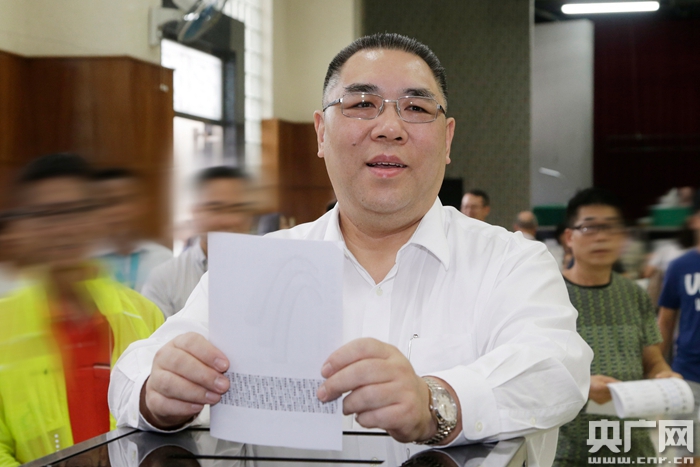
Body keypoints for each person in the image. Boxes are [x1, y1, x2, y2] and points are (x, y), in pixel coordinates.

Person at [109, 33, 592, 466]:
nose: (389, 127)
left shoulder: (511, 263)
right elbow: (133, 372)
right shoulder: (258, 267)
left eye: (416, 108)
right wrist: (159, 394)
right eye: (362, 103)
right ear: (321, 132)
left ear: (447, 139)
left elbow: (556, 368)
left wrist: (437, 402)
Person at [0, 154, 164, 466]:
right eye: (47, 215)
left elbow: (165, 420)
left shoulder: (143, 315)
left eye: (76, 211)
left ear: (97, 218)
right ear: (24, 226)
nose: (63, 228)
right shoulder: (3, 325)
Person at [553, 188, 679, 466]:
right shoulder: (549, 295)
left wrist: (663, 375)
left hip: (633, 447)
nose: (601, 237)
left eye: (610, 227)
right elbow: (530, 371)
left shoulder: (634, 294)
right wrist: (583, 385)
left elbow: (652, 360)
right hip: (566, 451)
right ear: (569, 238)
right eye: (589, 227)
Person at [141, 166, 253, 318]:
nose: (227, 220)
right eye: (215, 209)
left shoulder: (273, 270)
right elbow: (155, 332)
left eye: (237, 209)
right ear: (195, 212)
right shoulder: (165, 278)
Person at [657, 191, 700, 462]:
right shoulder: (680, 267)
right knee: (685, 456)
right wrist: (658, 368)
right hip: (687, 376)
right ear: (694, 220)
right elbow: (665, 321)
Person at [93, 168, 172, 292]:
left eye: (127, 200)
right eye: (108, 202)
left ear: (143, 205)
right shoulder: (85, 261)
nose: (118, 210)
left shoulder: (164, 259)